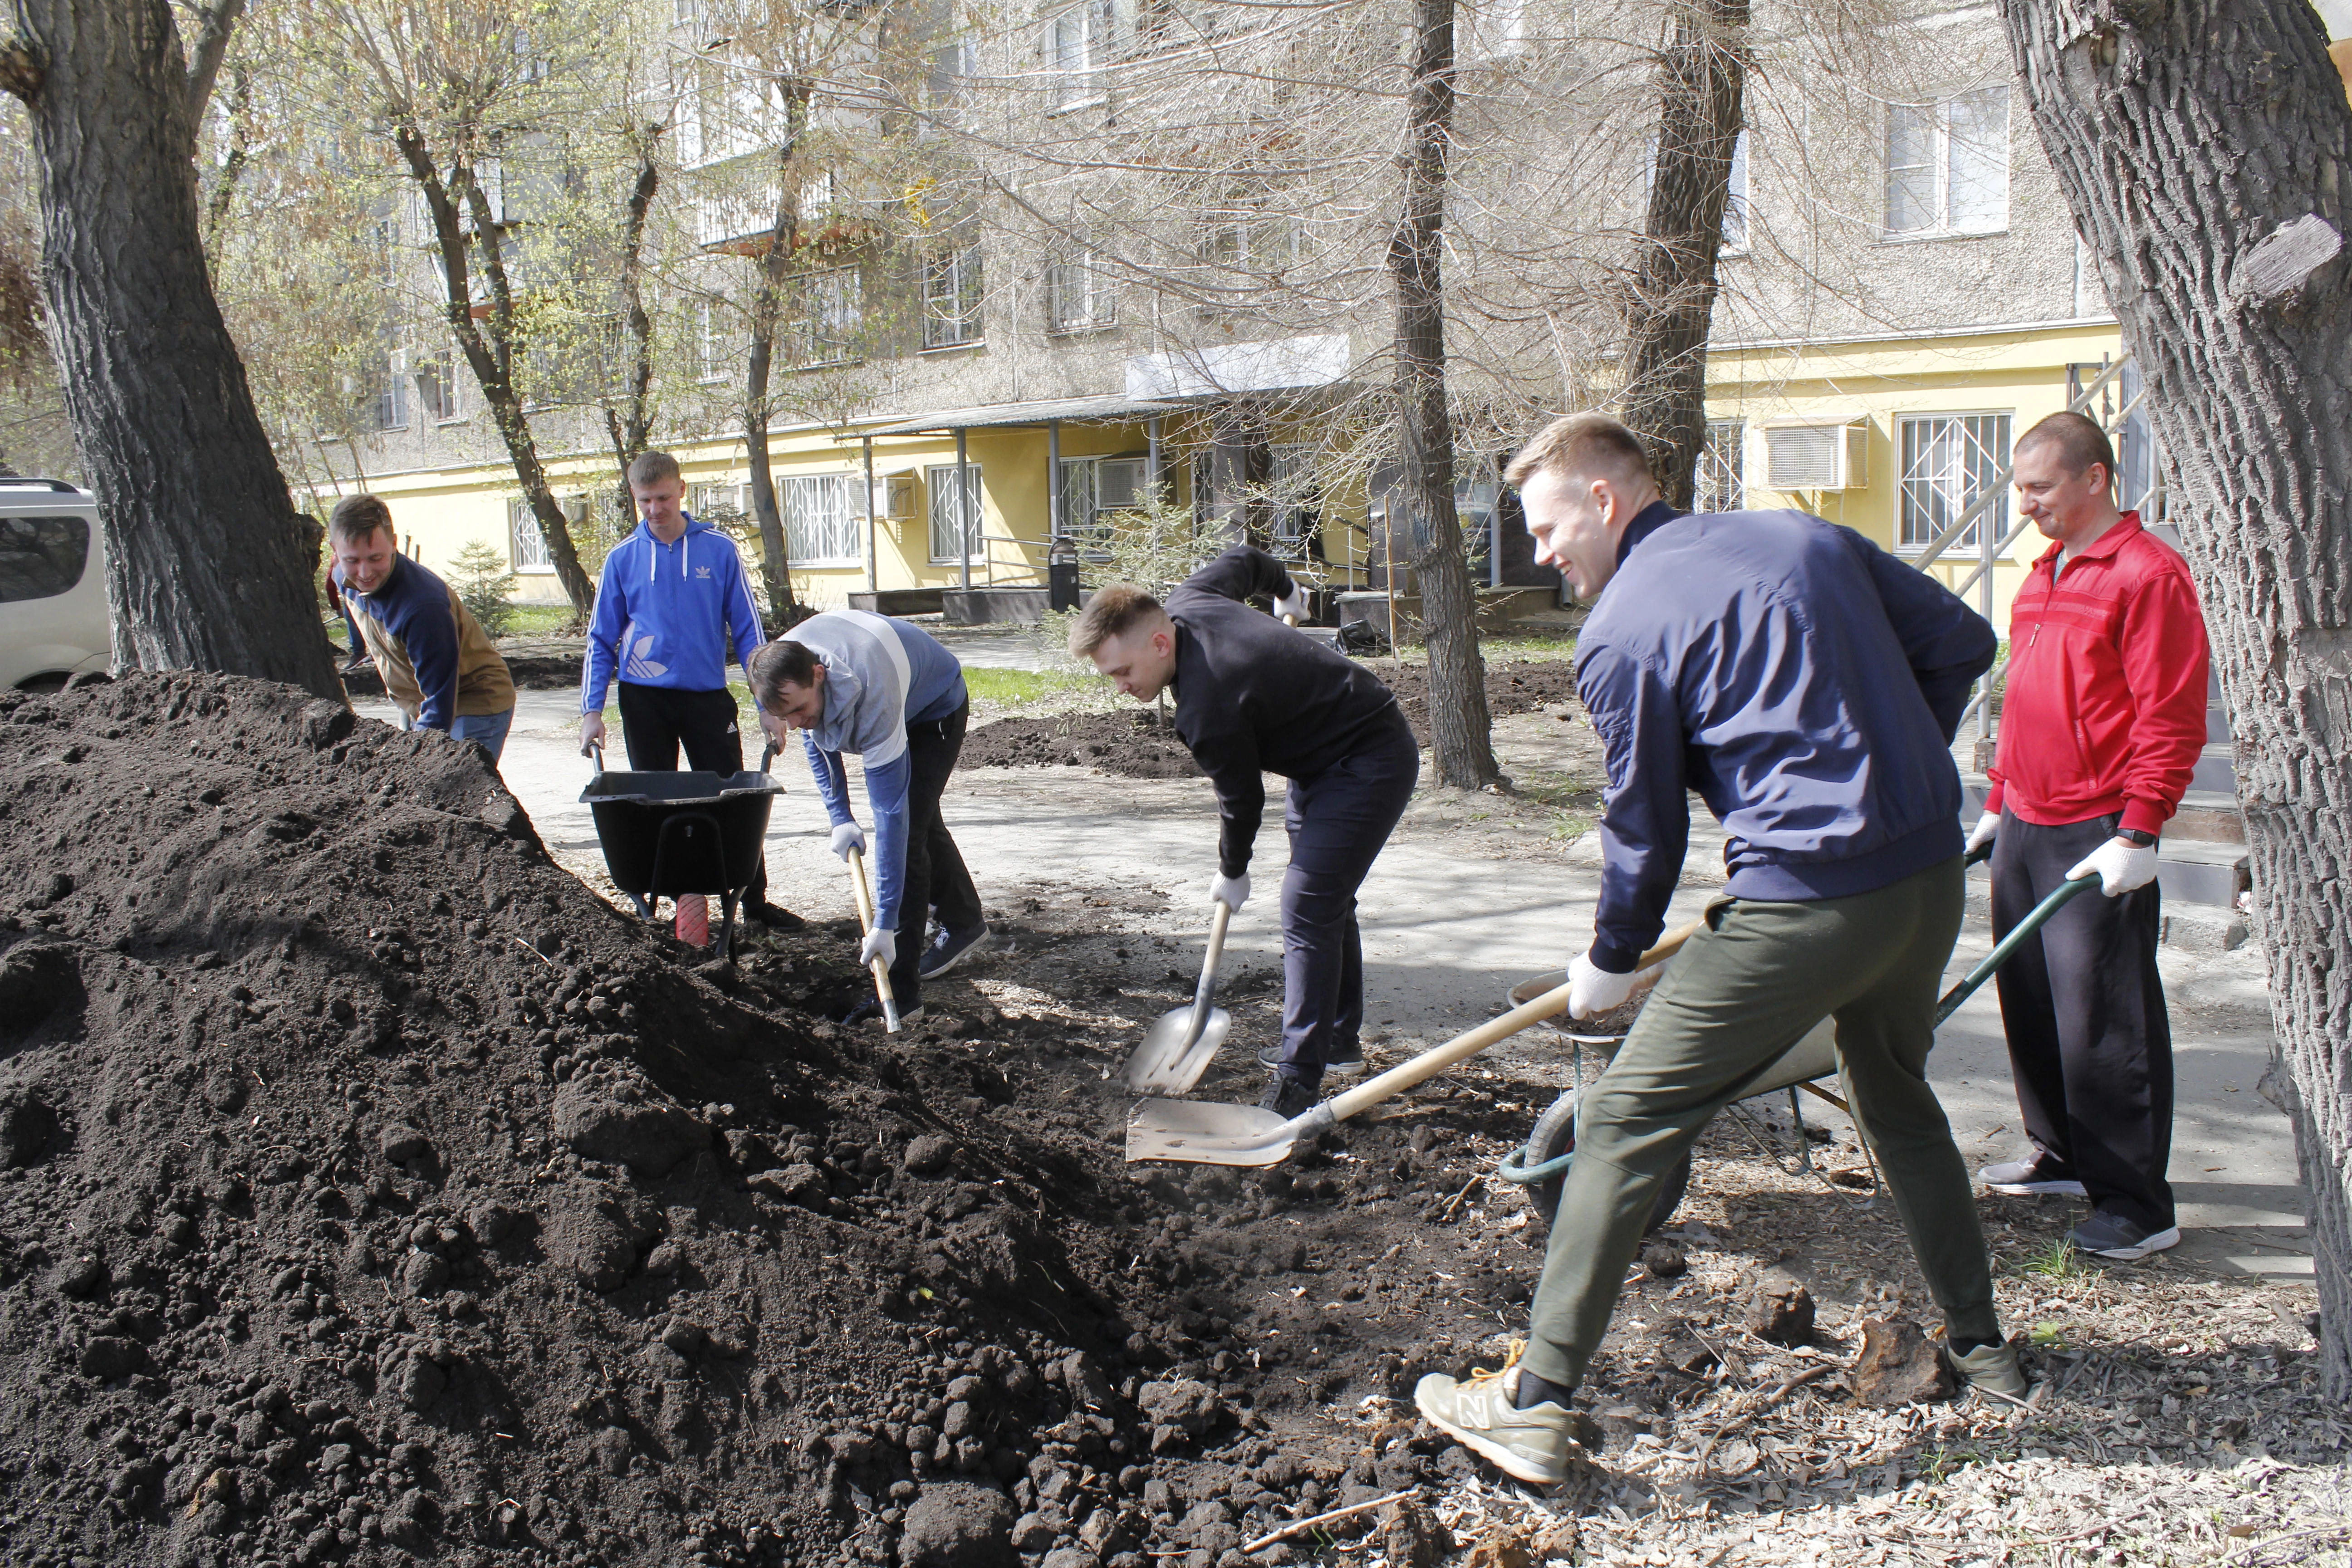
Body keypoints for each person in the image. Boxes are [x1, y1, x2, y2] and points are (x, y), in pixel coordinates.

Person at [1412, 413, 2016, 1487]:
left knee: (1623, 1113)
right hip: (1924, 883)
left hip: (1808, 905)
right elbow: (1964, 642)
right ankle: (1983, 1351)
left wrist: (1610, 954)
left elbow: (1644, 833)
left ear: (1605, 498)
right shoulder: (1802, 538)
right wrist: (1892, 778)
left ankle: (1532, 1400)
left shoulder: (1621, 630)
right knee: (1894, 1096)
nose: (1541, 554)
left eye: (1547, 528)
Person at [1965, 412, 2209, 1262]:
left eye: (2038, 488)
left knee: (2102, 1017)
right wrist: (1997, 799)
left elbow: (2169, 714)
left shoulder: (2146, 574)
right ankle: (2061, 1153)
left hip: (2097, 824)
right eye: (2019, 489)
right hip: (2026, 819)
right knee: (2028, 996)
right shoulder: (2040, 574)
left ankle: (2137, 1203)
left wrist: (2139, 829)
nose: (2024, 505)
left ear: (2094, 479)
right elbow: (2021, 697)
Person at [1070, 545, 1417, 1116]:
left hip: (1369, 757)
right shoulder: (1189, 599)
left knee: (1308, 905)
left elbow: (1242, 799)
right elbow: (1247, 560)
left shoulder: (1207, 706)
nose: (1121, 688)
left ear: (1160, 643)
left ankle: (1297, 1082)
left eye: (1124, 672)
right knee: (1327, 902)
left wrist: (1232, 870)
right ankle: (1336, 1042)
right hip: (1319, 762)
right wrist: (1285, 590)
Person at [579, 451, 788, 927]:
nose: (656, 510)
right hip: (644, 700)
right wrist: (592, 710)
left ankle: (753, 902)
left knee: (735, 799)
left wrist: (768, 703)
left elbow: (750, 631)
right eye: (645, 501)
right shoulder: (622, 559)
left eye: (664, 498)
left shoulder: (717, 550)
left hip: (705, 698)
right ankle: (677, 907)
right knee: (655, 804)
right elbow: (601, 638)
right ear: (635, 498)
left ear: (683, 491)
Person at [746, 611, 986, 1024]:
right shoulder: (777, 670)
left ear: (819, 675)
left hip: (934, 708)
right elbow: (815, 737)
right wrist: (839, 815)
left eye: (800, 709)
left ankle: (902, 997)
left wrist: (886, 923)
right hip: (893, 681)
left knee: (910, 827)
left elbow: (890, 815)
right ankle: (964, 922)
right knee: (921, 817)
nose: (796, 722)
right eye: (786, 716)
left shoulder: (874, 692)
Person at [329, 495, 517, 764]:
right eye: (352, 560)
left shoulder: (423, 607)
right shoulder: (343, 577)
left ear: (394, 543)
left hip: (473, 702)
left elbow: (440, 705)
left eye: (375, 558)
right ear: (334, 550)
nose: (365, 572)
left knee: (453, 791)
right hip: (418, 698)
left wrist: (419, 760)